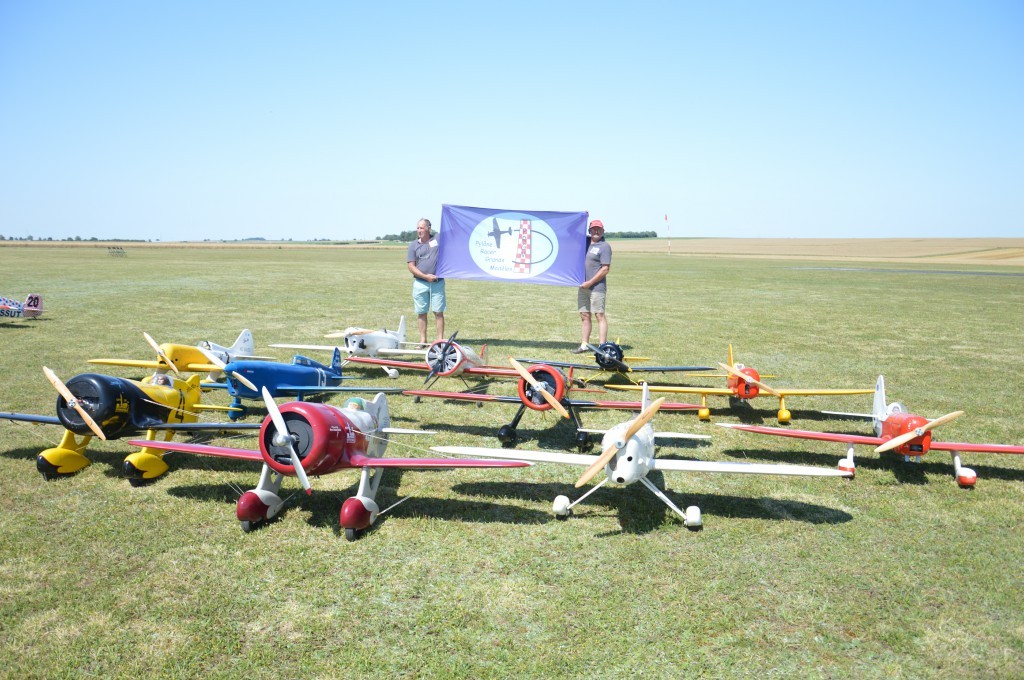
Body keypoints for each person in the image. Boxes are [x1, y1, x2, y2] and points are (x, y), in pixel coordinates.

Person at [572, 219, 612, 353]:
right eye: (593, 229)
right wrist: (581, 218)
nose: (596, 231)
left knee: (599, 315)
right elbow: (571, 232)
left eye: (599, 229)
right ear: (589, 230)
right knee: (584, 315)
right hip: (583, 287)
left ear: (603, 231)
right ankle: (584, 344)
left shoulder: (604, 246)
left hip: (596, 287)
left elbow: (605, 269)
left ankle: (602, 347)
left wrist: (590, 283)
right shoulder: (586, 242)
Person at [407, 218, 445, 343]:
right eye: (418, 228)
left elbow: (450, 232)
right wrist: (425, 277)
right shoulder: (413, 245)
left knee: (438, 312)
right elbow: (411, 266)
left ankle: (439, 341)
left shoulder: (437, 239)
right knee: (421, 312)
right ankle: (423, 341)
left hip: (437, 283)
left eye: (422, 228)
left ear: (428, 228)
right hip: (420, 283)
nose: (419, 230)